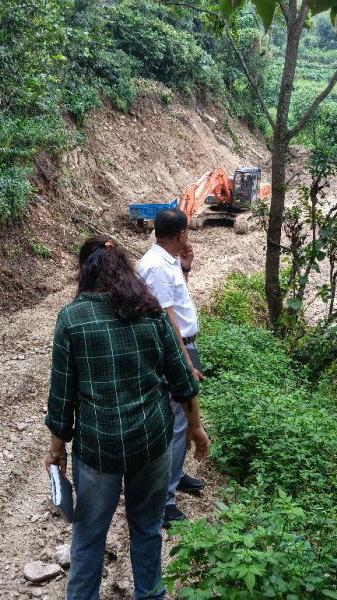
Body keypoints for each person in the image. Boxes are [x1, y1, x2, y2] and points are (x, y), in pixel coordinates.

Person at [44, 236, 210, 600]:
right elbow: (183, 381)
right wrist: (196, 427)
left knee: (89, 534)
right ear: (125, 269)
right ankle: (150, 595)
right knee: (147, 528)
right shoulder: (151, 312)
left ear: (84, 272)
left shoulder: (72, 318)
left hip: (98, 447)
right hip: (151, 442)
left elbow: (62, 396)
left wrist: (57, 450)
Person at [137, 208, 206, 529]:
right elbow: (167, 320)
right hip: (176, 351)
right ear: (181, 233)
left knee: (182, 419)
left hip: (185, 347)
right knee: (178, 423)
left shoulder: (167, 262)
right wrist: (184, 362)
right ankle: (164, 498)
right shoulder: (157, 268)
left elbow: (175, 304)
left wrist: (186, 268)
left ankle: (175, 475)